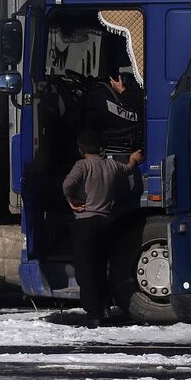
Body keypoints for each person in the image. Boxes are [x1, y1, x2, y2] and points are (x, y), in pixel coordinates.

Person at [62, 130, 144, 329]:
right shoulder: (111, 165)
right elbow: (128, 169)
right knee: (101, 267)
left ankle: (93, 313)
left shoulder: (82, 166)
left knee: (85, 270)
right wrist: (133, 159)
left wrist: (71, 200)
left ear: (81, 149)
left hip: (86, 222)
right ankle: (105, 305)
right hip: (106, 222)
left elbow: (67, 185)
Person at [81, 68, 144, 155]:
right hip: (136, 113)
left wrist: (122, 91)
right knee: (91, 115)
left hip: (137, 118)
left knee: (95, 98)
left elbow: (138, 103)